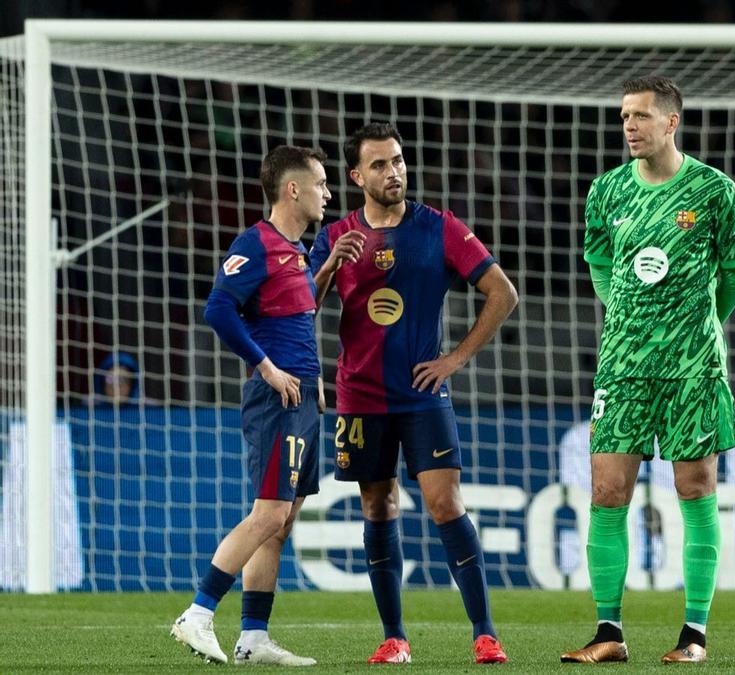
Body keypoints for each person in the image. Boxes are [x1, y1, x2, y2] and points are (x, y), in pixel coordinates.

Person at [560, 75, 735, 665]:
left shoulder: (716, 191)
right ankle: (608, 633)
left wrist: (698, 328)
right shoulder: (607, 192)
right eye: (624, 116)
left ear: (671, 122)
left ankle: (693, 634)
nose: (629, 126)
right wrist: (626, 317)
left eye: (641, 116)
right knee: (606, 489)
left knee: (695, 488)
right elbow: (598, 265)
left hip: (693, 367)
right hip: (623, 367)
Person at [309, 122, 518, 665]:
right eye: (379, 164)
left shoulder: (440, 227)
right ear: (356, 176)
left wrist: (456, 357)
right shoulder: (333, 237)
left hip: (424, 395)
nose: (393, 172)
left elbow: (502, 292)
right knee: (378, 506)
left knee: (445, 502)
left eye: (398, 161)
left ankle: (485, 633)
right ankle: (395, 637)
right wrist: (328, 266)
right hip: (360, 395)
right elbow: (298, 308)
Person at [171, 145, 342, 666]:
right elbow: (218, 309)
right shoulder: (257, 243)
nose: (327, 194)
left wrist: (311, 378)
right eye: (320, 184)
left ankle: (253, 637)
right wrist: (267, 367)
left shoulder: (296, 250)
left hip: (301, 396)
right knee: (267, 514)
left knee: (283, 519)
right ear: (293, 189)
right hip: (274, 398)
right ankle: (196, 615)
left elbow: (293, 321)